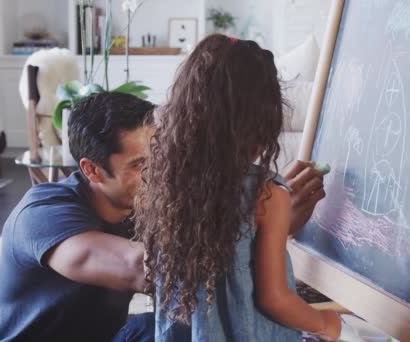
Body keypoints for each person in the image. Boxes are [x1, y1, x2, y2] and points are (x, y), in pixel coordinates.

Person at [0, 90, 328, 341]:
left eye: (161, 158)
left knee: (175, 328)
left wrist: (275, 223)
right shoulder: (43, 212)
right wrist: (260, 225)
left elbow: (214, 266)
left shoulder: (152, 203)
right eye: (140, 165)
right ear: (92, 170)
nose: (159, 174)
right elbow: (140, 266)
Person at [135, 35, 342, 342]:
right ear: (264, 119)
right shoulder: (267, 194)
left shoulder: (171, 184)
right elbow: (274, 299)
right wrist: (325, 323)